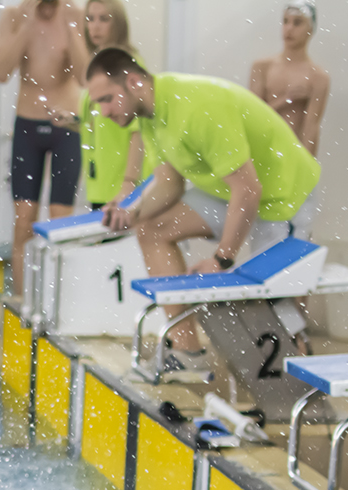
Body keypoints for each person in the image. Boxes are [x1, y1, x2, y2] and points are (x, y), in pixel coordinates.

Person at [88, 47, 320, 368]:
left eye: (107, 99)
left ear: (133, 82)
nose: (103, 111)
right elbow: (169, 181)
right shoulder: (151, 115)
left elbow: (249, 189)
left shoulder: (198, 107)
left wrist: (222, 258)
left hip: (282, 193)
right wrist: (132, 212)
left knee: (272, 300)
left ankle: (302, 387)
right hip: (230, 191)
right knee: (151, 229)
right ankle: (187, 354)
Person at [0, 0, 89, 298]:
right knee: (24, 220)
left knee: (61, 220)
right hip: (28, 125)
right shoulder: (14, 15)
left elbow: (85, 76)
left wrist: (71, 28)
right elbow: (1, 71)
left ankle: (58, 303)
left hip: (67, 126)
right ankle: (25, 302)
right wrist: (26, 24)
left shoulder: (75, 15)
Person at [58, 0, 148, 212]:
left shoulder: (129, 66)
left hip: (123, 186)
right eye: (90, 19)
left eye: (104, 19)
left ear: (118, 24)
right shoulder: (97, 66)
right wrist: (72, 122)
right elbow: (100, 124)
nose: (95, 26)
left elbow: (139, 131)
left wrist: (128, 182)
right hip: (101, 184)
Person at [249, 2, 328, 158]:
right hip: (261, 152)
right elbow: (254, 118)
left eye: (297, 22)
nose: (289, 28)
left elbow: (311, 127)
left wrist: (307, 170)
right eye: (285, 21)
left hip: (291, 155)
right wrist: (286, 100)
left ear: (310, 29)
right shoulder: (262, 67)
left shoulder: (318, 77)